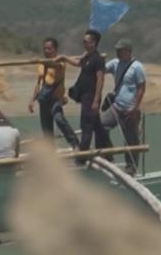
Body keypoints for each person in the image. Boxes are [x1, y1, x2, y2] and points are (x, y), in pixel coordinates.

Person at [58, 29, 108, 160]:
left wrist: (96, 100)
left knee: (86, 125)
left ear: (93, 43)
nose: (83, 44)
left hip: (91, 97)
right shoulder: (87, 57)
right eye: (83, 42)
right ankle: (109, 154)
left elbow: (100, 79)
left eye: (86, 41)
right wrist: (64, 58)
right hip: (85, 96)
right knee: (97, 125)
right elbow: (78, 63)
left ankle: (82, 155)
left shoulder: (98, 59)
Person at [103, 38, 147, 175]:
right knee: (101, 126)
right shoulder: (115, 63)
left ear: (128, 51)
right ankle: (109, 157)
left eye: (120, 50)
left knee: (131, 140)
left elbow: (141, 88)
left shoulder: (137, 67)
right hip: (117, 106)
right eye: (117, 50)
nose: (117, 52)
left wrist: (135, 107)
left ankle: (130, 169)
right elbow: (101, 69)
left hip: (130, 109)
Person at [29, 37, 79, 149]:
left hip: (56, 99)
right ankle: (51, 152)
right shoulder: (41, 64)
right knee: (47, 130)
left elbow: (55, 65)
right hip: (44, 100)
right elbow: (39, 84)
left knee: (59, 119)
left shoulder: (60, 60)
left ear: (55, 49)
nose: (46, 51)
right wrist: (32, 100)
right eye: (45, 49)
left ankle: (75, 144)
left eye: (49, 49)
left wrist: (39, 60)